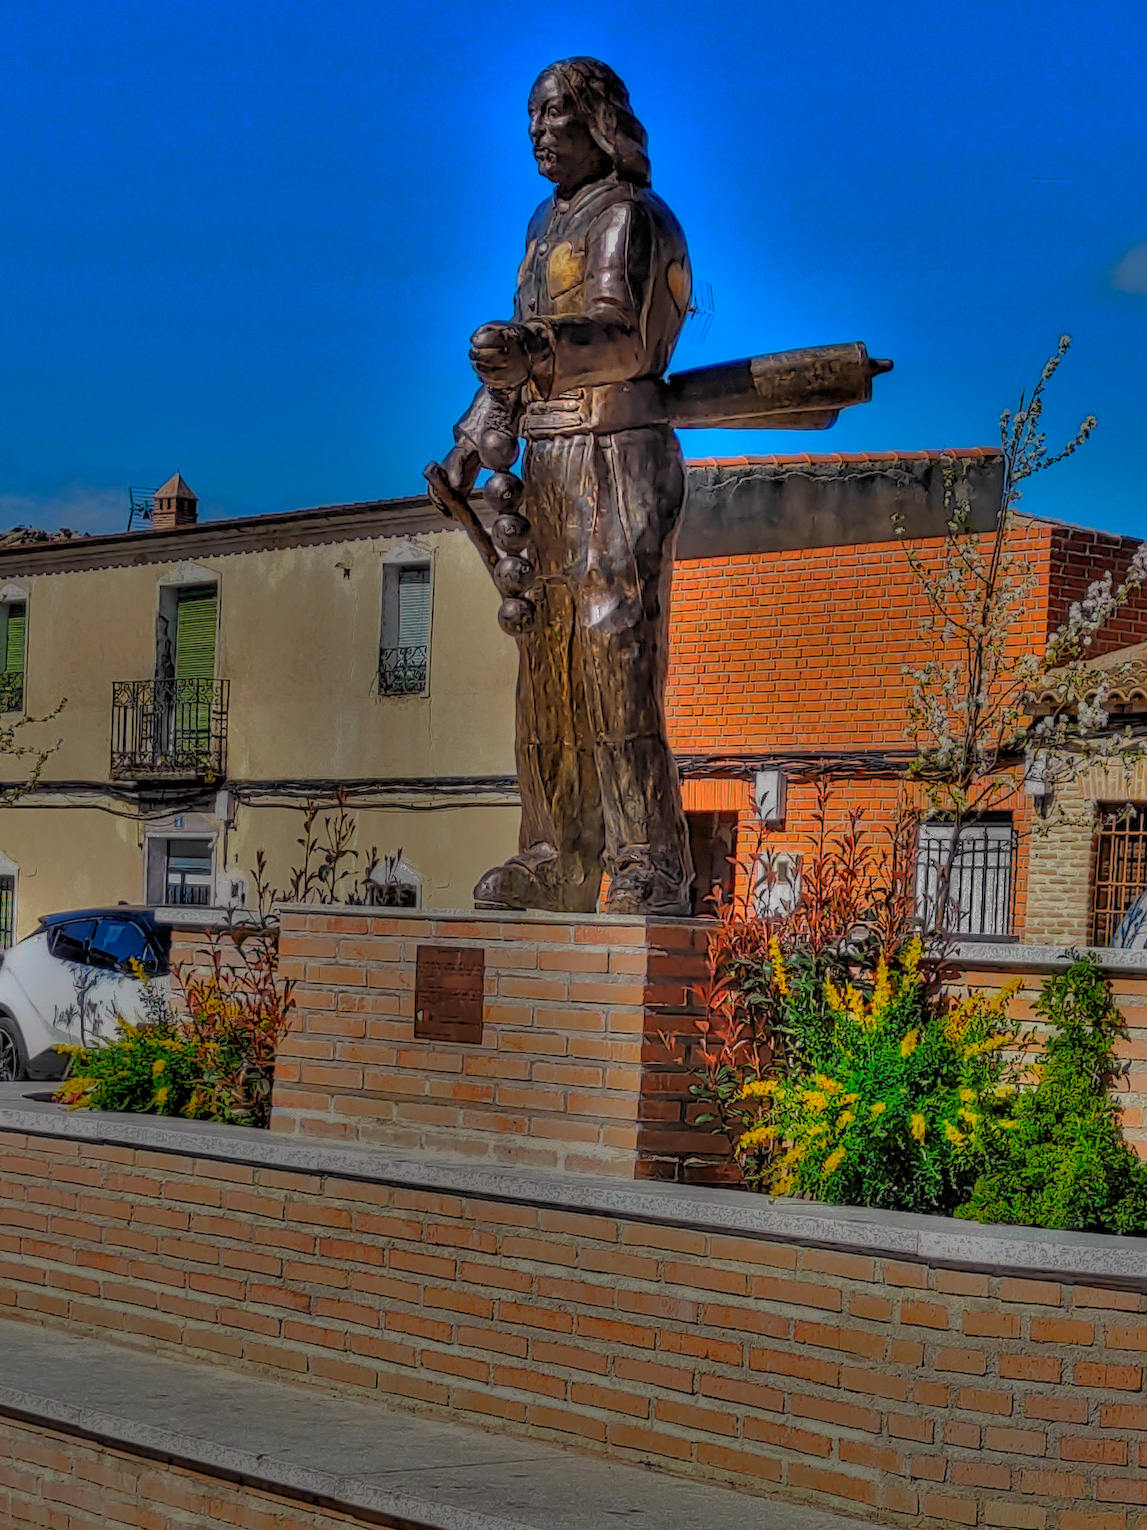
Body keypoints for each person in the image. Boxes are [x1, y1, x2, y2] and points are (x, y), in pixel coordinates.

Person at [440, 57, 694, 916]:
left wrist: (535, 352)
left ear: (598, 120)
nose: (538, 132)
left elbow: (624, 339)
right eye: (531, 118)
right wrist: (474, 442)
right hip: (545, 465)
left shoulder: (631, 217)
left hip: (616, 454)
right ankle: (551, 849)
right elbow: (517, 363)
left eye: (554, 114)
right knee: (543, 660)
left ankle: (644, 859)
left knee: (610, 647)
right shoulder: (542, 228)